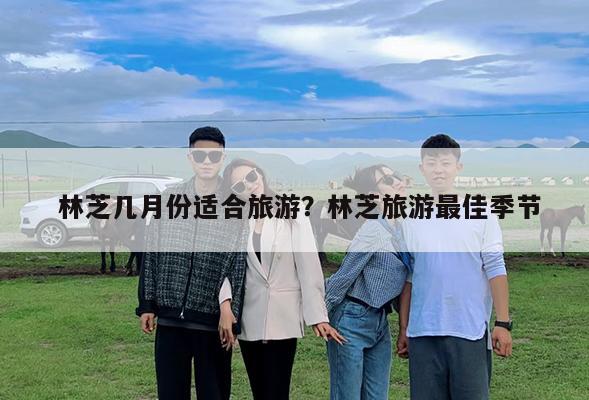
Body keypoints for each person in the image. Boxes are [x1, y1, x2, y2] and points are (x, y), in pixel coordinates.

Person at [135, 127, 248, 400]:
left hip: (213, 321)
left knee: (214, 394)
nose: (207, 162)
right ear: (190, 157)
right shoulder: (168, 199)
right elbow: (152, 253)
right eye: (200, 156)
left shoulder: (235, 206)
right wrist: (147, 304)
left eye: (214, 156)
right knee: (170, 393)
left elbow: (237, 263)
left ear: (222, 158)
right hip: (170, 319)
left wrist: (232, 313)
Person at [398, 134, 513, 400]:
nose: (438, 169)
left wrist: (503, 323)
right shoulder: (411, 217)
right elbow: (410, 275)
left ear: (458, 167)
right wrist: (404, 327)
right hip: (423, 331)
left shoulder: (481, 212)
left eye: (445, 163)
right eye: (431, 163)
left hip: (468, 329)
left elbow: (495, 267)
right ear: (421, 168)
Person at [219, 158, 345, 400]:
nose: (249, 185)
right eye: (239, 185)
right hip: (249, 316)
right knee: (259, 390)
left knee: (277, 391)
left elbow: (308, 265)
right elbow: (226, 267)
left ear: (260, 174)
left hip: (283, 315)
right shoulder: (236, 220)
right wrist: (226, 304)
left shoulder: (292, 211)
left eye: (251, 177)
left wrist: (317, 316)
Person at [325, 164, 410, 400]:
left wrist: (405, 327)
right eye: (388, 180)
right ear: (374, 196)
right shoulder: (373, 229)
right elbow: (345, 275)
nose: (397, 181)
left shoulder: (402, 227)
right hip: (351, 319)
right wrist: (320, 316)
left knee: (377, 396)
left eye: (396, 175)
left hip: (380, 321)